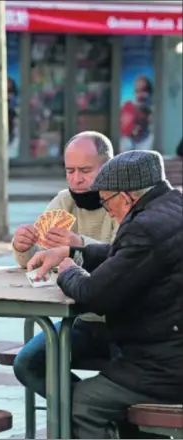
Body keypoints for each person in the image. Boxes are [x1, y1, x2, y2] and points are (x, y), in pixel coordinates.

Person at [27, 150, 183, 439]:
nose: (105, 207)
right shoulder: (172, 207)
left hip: (164, 365)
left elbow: (92, 295)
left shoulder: (144, 228)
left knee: (85, 401)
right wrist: (74, 251)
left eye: (106, 200)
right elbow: (125, 257)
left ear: (126, 197)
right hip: (165, 348)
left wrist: (68, 270)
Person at [11, 131, 118, 398]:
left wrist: (79, 244)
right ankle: (84, 418)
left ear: (108, 167)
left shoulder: (122, 200)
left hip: (127, 323)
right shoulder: (64, 201)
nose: (76, 179)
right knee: (28, 364)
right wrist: (23, 247)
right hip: (82, 320)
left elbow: (127, 257)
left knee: (125, 380)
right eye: (69, 170)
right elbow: (36, 261)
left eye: (85, 170)